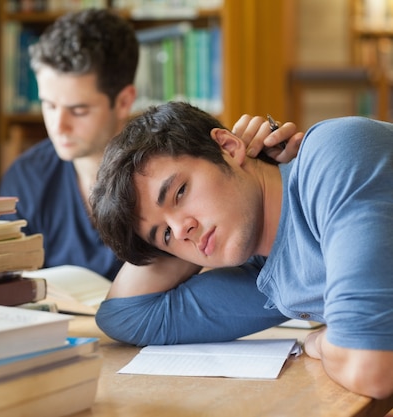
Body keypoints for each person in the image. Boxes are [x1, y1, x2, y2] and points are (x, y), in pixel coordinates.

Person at [90, 101, 393, 399]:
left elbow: (373, 368)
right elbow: (124, 316)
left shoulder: (333, 154)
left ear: (229, 147)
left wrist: (319, 344)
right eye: (166, 234)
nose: (181, 230)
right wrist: (183, 245)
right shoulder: (267, 278)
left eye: (180, 192)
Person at [0, 8, 302, 280]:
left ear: (124, 100)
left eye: (79, 110)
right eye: (48, 105)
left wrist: (263, 174)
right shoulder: (26, 178)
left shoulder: (179, 158)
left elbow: (227, 259)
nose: (58, 126)